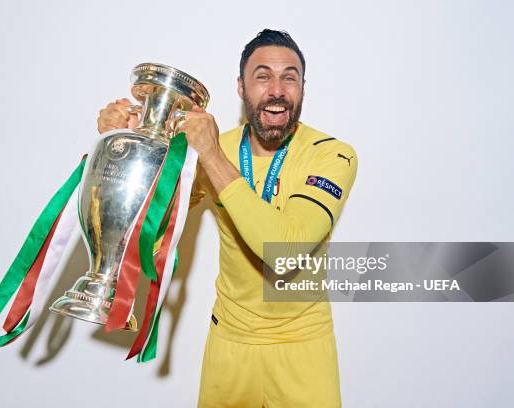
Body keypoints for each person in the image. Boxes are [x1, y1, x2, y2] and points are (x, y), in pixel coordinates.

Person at [98, 29, 357, 408]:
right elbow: (146, 218)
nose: (277, 90)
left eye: (290, 77)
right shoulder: (215, 145)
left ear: (303, 88)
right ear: (241, 87)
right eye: (262, 76)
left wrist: (212, 155)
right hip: (230, 346)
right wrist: (124, 143)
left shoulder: (332, 155)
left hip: (302, 346)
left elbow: (286, 249)